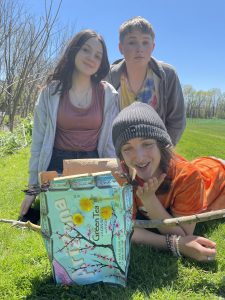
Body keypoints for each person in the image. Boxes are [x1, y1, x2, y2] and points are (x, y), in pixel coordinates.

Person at [20, 29, 119, 220]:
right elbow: (38, 143)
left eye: (98, 55)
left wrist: (113, 177)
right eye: (86, 50)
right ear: (74, 51)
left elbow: (109, 143)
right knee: (61, 215)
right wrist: (32, 189)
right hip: (57, 162)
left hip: (92, 162)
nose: (91, 58)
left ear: (101, 63)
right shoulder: (50, 92)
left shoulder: (107, 94)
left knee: (91, 213)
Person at [112, 102, 225, 262]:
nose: (139, 156)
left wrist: (149, 200)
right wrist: (174, 244)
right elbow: (124, 228)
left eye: (147, 144)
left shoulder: (187, 176)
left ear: (161, 144)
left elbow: (183, 234)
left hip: (218, 176)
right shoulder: (124, 175)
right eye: (127, 148)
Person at [107, 16, 185, 145]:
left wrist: (164, 152)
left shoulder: (168, 74)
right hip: (119, 151)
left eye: (145, 42)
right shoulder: (109, 76)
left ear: (153, 47)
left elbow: (177, 121)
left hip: (156, 152)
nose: (140, 49)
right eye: (132, 42)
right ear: (121, 48)